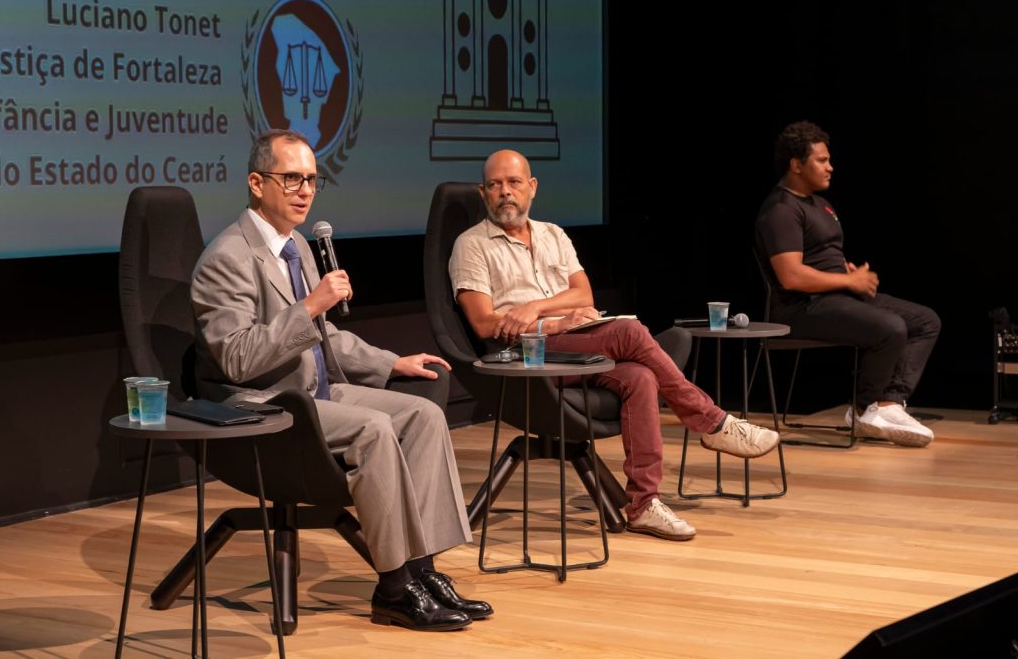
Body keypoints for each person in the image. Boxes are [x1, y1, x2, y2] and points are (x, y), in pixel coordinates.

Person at [191, 129, 491, 631]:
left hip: (314, 391)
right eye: (291, 179)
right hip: (262, 403)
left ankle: (422, 567)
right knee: (373, 427)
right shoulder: (226, 257)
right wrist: (311, 305)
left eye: (311, 179)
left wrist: (391, 363)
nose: (304, 190)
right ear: (256, 183)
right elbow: (237, 359)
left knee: (424, 414)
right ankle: (394, 587)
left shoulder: (298, 248)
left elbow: (325, 337)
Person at [448, 149, 780, 543]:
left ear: (532, 188)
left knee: (639, 376)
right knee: (631, 333)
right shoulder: (471, 245)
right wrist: (553, 320)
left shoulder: (553, 234)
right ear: (482, 191)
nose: (505, 192)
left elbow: (583, 292)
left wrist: (535, 307)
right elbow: (485, 323)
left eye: (514, 182)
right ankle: (710, 422)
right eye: (495, 185)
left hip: (567, 343)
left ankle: (643, 504)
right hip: (523, 358)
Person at [755, 121, 940, 447]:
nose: (830, 167)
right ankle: (864, 409)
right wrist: (848, 280)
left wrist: (845, 270)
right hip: (798, 308)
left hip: (834, 296)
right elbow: (791, 276)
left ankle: (888, 403)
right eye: (821, 160)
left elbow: (820, 254)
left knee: (925, 321)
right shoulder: (781, 209)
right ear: (796, 165)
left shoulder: (820, 204)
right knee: (891, 327)